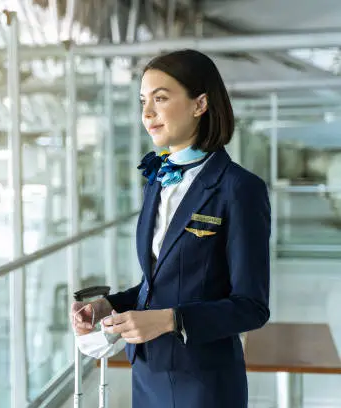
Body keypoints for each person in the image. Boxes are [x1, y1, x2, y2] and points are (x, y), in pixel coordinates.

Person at [71, 49, 271, 408]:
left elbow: (251, 307)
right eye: (143, 101)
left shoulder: (239, 189)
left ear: (200, 104)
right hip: (147, 373)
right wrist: (108, 305)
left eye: (161, 98)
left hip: (202, 383)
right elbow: (162, 282)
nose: (147, 113)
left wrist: (171, 320)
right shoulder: (157, 182)